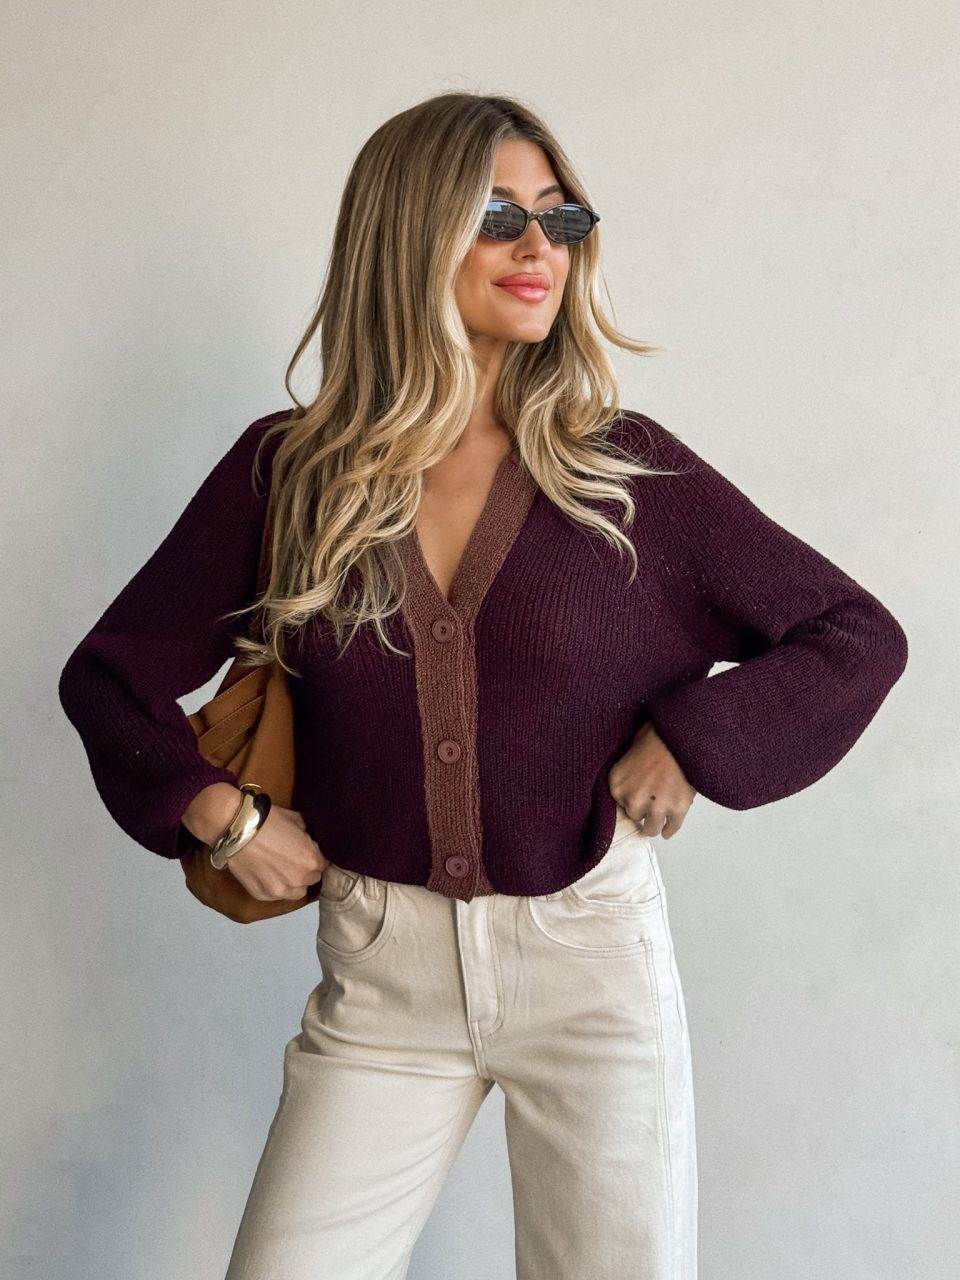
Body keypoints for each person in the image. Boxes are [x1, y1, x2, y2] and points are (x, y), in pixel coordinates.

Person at [57, 91, 909, 1280]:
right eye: (498, 215)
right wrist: (220, 813)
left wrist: (696, 734)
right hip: (381, 974)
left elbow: (853, 633)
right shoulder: (289, 473)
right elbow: (110, 676)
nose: (537, 246)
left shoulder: (622, 474)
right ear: (408, 232)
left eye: (561, 217)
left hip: (591, 962)